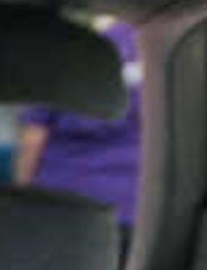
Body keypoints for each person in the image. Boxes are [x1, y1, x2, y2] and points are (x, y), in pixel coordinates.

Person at [16, 17, 146, 234]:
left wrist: (23, 190)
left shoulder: (65, 50)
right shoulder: (154, 45)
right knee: (123, 267)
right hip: (131, 203)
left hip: (63, 202)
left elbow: (35, 137)